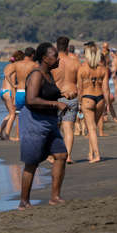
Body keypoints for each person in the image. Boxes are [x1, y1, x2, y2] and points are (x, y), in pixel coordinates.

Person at [19, 42, 67, 210]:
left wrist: (63, 94)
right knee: (31, 163)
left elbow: (46, 93)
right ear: (45, 59)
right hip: (35, 121)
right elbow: (31, 100)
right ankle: (24, 202)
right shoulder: (37, 75)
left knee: (61, 154)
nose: (58, 58)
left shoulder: (49, 75)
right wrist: (55, 104)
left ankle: (55, 197)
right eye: (54, 55)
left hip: (50, 122)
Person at [77, 43, 110, 163]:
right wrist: (107, 104)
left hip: (87, 98)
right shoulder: (103, 69)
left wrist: (79, 104)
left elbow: (79, 89)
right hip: (100, 98)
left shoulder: (82, 69)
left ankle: (97, 154)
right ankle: (91, 153)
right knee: (94, 128)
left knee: (91, 129)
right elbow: (106, 89)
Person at [52, 36, 81, 164]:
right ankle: (68, 156)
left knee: (55, 128)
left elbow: (49, 82)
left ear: (56, 47)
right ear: (68, 47)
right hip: (72, 96)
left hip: (57, 97)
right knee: (68, 127)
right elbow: (80, 83)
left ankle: (56, 155)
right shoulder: (75, 62)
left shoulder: (53, 62)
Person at [6, 47, 39, 140]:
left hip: (19, 92)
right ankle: (30, 135)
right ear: (32, 55)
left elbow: (7, 74)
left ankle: (18, 136)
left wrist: (13, 85)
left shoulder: (17, 64)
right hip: (29, 92)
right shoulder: (34, 65)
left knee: (19, 116)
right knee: (32, 115)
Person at [0, 50, 23, 141]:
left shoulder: (7, 66)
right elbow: (12, 78)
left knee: (11, 113)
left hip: (3, 91)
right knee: (13, 114)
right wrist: (14, 92)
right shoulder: (15, 67)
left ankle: (0, 130)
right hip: (9, 92)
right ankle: (7, 135)